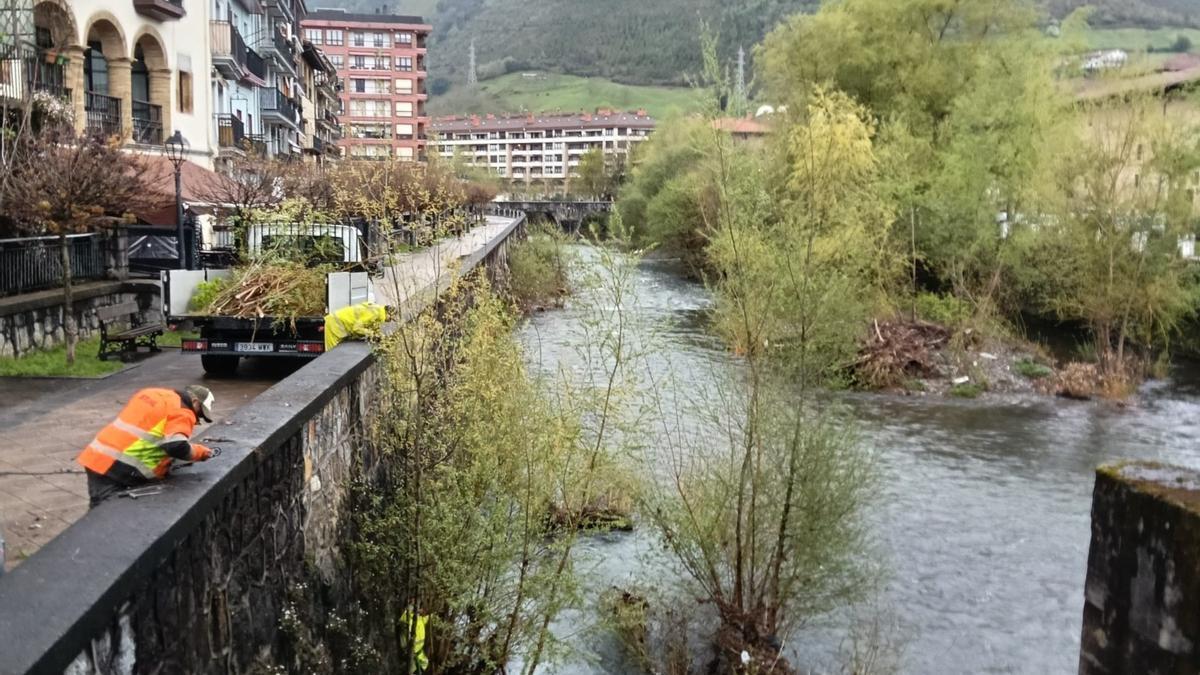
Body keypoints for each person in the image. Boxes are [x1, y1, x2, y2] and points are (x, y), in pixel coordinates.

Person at [76, 385, 216, 507]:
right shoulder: (183, 411)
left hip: (97, 455)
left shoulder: (151, 393)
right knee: (108, 516)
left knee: (97, 509)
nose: (197, 418)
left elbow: (151, 429)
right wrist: (200, 452)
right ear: (195, 401)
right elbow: (176, 446)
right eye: (200, 413)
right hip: (119, 469)